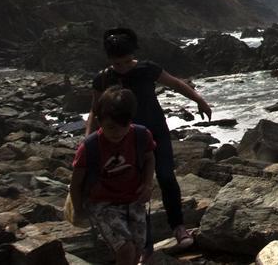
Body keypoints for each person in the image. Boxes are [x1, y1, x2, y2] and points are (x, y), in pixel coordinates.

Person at [85, 27, 212, 249]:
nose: (122, 68)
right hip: (126, 140)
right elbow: (96, 111)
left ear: (133, 54)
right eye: (117, 64)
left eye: (126, 61)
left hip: (156, 132)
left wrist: (199, 100)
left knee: (166, 177)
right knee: (135, 187)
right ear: (109, 60)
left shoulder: (147, 69)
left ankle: (178, 227)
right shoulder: (104, 79)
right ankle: (144, 242)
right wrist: (88, 142)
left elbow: (176, 83)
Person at [70, 87, 156, 265]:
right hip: (103, 203)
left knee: (138, 248)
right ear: (99, 121)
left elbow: (149, 158)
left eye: (123, 126)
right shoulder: (90, 147)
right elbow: (76, 183)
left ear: (130, 120)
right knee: (125, 249)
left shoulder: (140, 135)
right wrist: (79, 210)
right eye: (111, 127)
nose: (117, 132)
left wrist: (147, 185)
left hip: (134, 199)